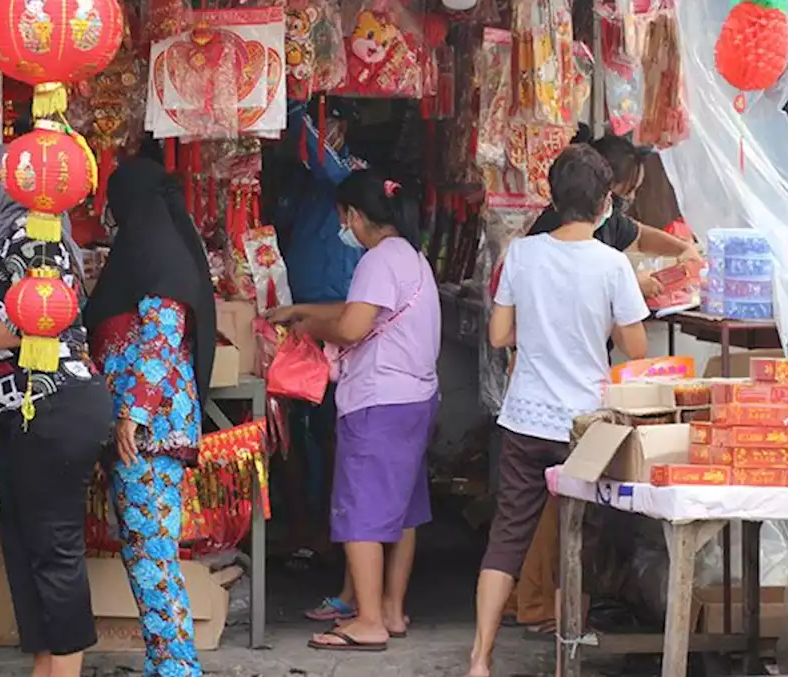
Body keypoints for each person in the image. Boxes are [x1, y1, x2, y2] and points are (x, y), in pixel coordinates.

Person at [469, 145, 650, 677]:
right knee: (581, 539)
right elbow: (636, 350)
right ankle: (565, 654)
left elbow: (499, 334)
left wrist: (541, 330)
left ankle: (479, 659)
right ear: (605, 203)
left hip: (525, 416)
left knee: (508, 538)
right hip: (586, 426)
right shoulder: (613, 264)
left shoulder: (523, 255)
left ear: (553, 199)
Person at [268, 169, 441, 653]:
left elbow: (352, 327)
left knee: (361, 513)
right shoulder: (410, 257)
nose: (344, 227)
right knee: (403, 511)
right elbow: (356, 311)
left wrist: (308, 327)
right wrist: (304, 312)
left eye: (344, 217)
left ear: (357, 216)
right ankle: (390, 607)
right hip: (414, 398)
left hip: (380, 402)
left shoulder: (377, 260)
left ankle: (367, 621)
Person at [0, 146, 111, 677]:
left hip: (53, 402)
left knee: (53, 549)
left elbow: (44, 315)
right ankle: (45, 666)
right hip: (27, 408)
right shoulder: (6, 241)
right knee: (26, 549)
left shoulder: (33, 234)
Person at [84, 157, 217, 677]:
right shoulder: (152, 249)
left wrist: (131, 416)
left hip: (149, 433)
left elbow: (160, 341)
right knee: (147, 557)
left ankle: (176, 670)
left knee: (153, 560)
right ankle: (169, 665)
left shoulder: (157, 253)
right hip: (142, 432)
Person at [273, 99, 364, 599]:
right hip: (296, 319)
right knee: (289, 427)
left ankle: (333, 529)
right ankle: (300, 526)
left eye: (328, 124)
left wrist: (291, 112)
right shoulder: (296, 183)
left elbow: (326, 164)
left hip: (340, 323)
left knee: (332, 431)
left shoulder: (349, 175)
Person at [527, 130, 699, 298]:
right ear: (602, 183)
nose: (631, 198)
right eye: (627, 191)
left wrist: (683, 249)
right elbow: (570, 288)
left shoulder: (608, 219)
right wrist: (628, 286)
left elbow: (639, 236)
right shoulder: (549, 236)